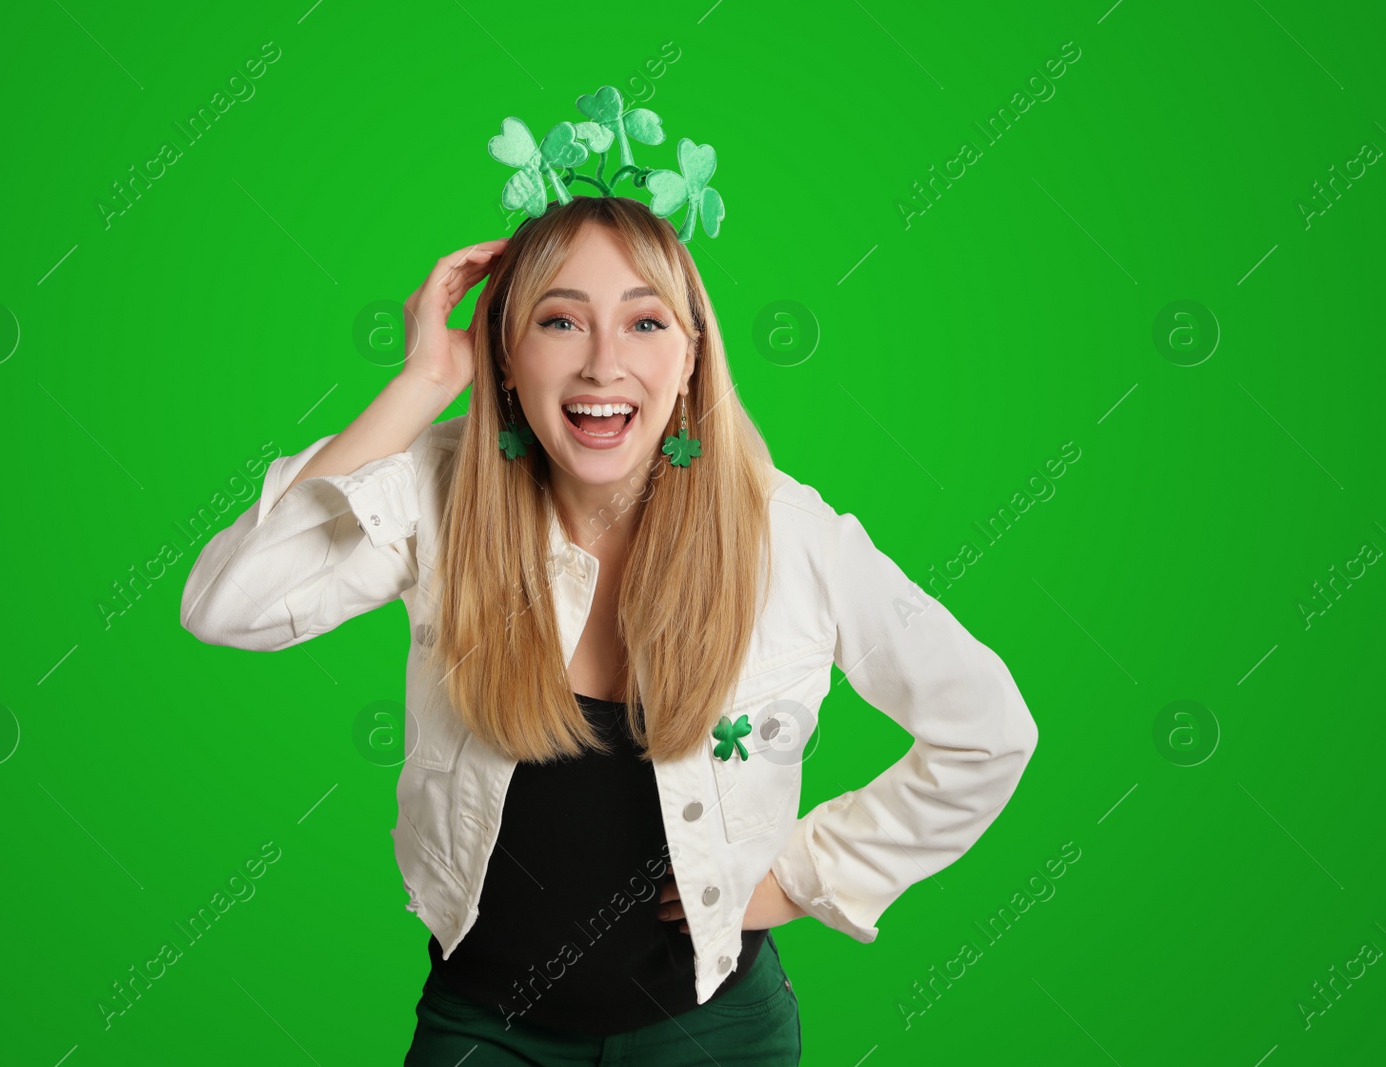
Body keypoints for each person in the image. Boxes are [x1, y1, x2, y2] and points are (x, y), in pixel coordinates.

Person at [179, 195, 1038, 1065]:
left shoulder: (789, 534)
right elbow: (228, 605)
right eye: (560, 320)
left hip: (714, 1031)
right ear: (505, 356)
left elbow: (988, 731)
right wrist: (423, 384)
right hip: (482, 1025)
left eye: (645, 322)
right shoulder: (440, 496)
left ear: (691, 356)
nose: (602, 364)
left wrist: (803, 877)